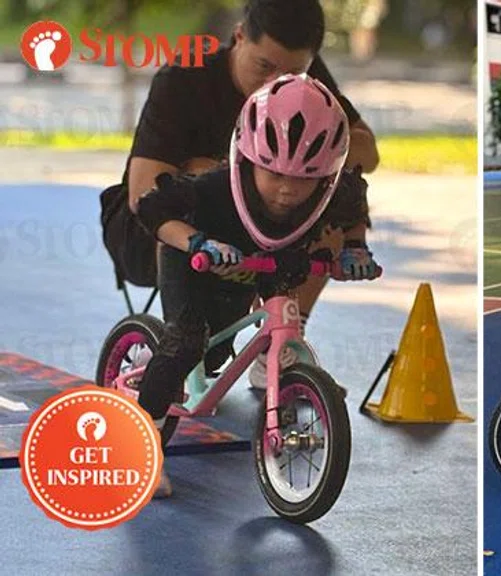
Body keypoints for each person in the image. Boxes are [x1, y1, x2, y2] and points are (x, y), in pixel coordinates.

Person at [99, 0, 380, 388]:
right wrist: (232, 172)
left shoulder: (302, 84)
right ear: (239, 37)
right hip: (151, 229)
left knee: (324, 202)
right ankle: (174, 348)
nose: (273, 83)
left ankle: (281, 342)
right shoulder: (183, 79)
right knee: (205, 192)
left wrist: (318, 145)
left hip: (253, 227)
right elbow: (143, 190)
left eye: (292, 72)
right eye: (264, 67)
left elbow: (368, 154)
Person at [134, 74, 380, 498]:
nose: (287, 190)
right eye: (273, 173)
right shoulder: (213, 189)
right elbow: (153, 209)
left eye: (304, 178)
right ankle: (141, 447)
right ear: (248, 160)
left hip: (266, 259)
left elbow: (354, 207)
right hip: (193, 260)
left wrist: (355, 249)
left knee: (218, 355)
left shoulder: (333, 192)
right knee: (187, 342)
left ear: (326, 176)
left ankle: (273, 365)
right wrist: (196, 242)